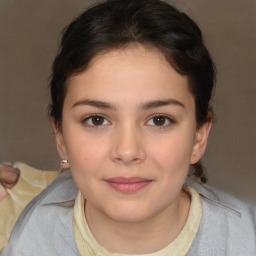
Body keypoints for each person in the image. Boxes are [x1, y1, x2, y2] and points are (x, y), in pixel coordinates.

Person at [1, 0, 255, 255]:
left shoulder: (245, 239)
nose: (127, 151)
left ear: (199, 137)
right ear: (61, 137)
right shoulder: (17, 230)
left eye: (159, 120)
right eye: (97, 120)